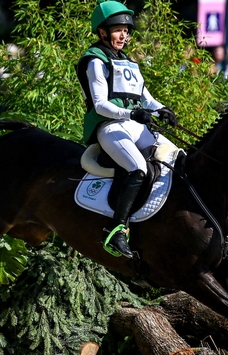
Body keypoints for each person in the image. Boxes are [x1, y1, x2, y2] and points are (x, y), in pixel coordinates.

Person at [76, 0, 178, 259]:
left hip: (134, 125)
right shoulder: (95, 61)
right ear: (102, 32)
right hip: (110, 127)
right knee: (138, 168)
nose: (124, 35)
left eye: (126, 30)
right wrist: (131, 113)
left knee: (176, 155)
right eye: (118, 30)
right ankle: (116, 230)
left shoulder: (129, 62)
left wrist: (162, 109)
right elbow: (100, 105)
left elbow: (145, 98)